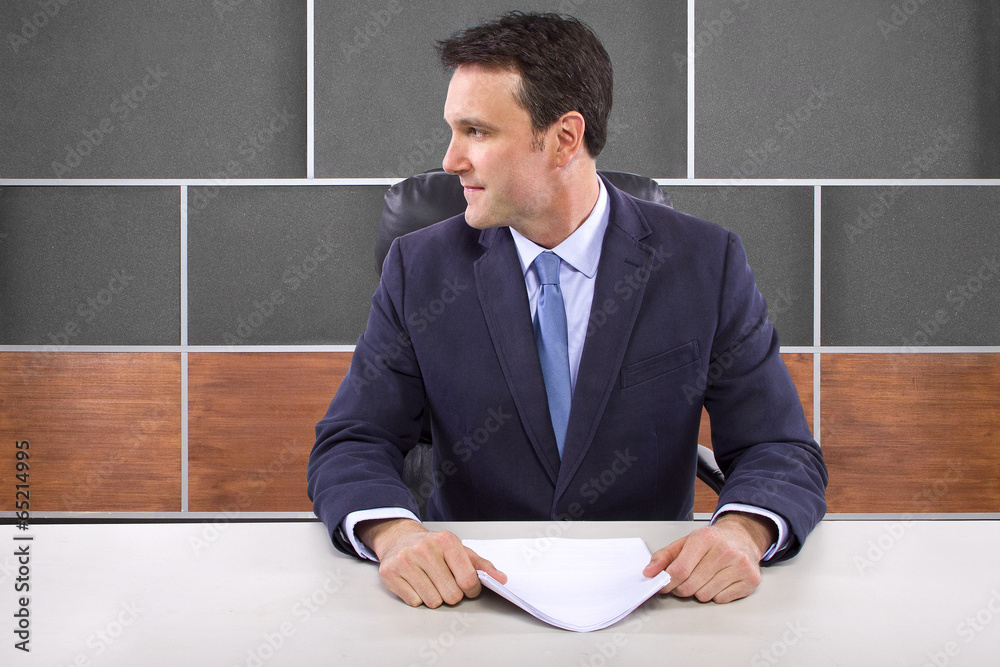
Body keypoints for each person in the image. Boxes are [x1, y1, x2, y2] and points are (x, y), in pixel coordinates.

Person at [308, 11, 827, 609]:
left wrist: (742, 530)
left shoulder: (705, 263)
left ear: (563, 139)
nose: (451, 160)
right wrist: (396, 534)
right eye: (453, 131)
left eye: (476, 131)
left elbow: (778, 448)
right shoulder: (419, 269)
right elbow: (352, 441)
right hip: (469, 598)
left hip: (655, 598)